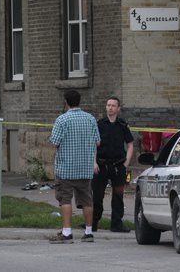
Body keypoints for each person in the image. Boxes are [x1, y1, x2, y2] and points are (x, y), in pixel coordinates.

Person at [49, 90, 100, 244]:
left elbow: (54, 142)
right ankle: (89, 232)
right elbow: (98, 142)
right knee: (87, 200)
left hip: (66, 168)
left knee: (65, 199)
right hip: (85, 167)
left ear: (66, 102)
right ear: (79, 101)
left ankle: (66, 232)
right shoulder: (90, 119)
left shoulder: (62, 120)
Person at [92, 96, 134, 232]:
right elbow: (93, 144)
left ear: (118, 108)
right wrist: (94, 162)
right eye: (108, 105)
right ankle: (92, 223)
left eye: (113, 105)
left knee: (118, 196)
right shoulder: (99, 124)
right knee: (97, 196)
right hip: (101, 164)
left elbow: (130, 144)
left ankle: (116, 224)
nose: (110, 108)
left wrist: (126, 163)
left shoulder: (122, 125)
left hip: (118, 166)